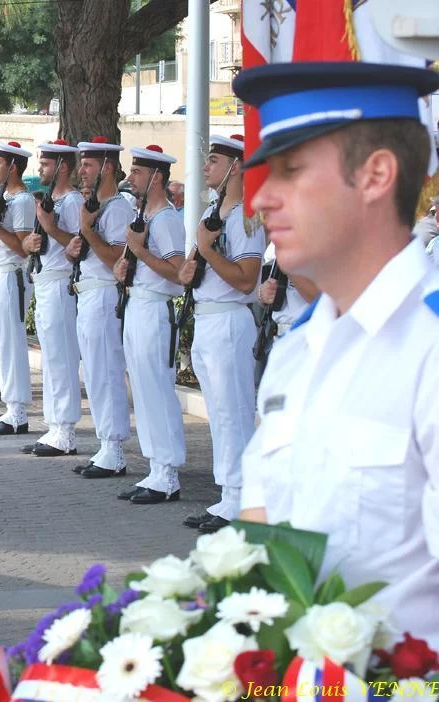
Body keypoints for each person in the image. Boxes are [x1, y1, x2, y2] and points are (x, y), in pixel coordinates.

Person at [234, 61, 439, 647]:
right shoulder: (297, 350)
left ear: (376, 174)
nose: (262, 199)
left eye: (292, 171)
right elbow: (261, 550)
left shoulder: (429, 347)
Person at [175, 135, 264, 533]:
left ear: (236, 167)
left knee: (235, 414)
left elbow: (246, 280)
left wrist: (208, 251)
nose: (205, 167)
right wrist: (190, 269)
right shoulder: (214, 212)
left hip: (230, 319)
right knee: (220, 416)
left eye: (214, 160)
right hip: (208, 318)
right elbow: (196, 269)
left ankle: (242, 499)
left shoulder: (247, 217)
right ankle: (229, 495)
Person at [113, 145, 187, 505]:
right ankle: (156, 469)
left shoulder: (167, 219)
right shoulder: (146, 216)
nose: (131, 177)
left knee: (157, 389)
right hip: (138, 306)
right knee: (142, 391)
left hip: (155, 310)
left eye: (138, 172)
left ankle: (168, 473)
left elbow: (178, 272)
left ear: (156, 177)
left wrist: (140, 252)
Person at [69, 138, 135, 479]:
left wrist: (86, 230)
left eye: (88, 165)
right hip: (89, 294)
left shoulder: (119, 208)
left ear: (106, 167)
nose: (82, 170)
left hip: (106, 295)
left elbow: (117, 260)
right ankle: (105, 444)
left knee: (106, 372)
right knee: (94, 373)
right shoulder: (96, 206)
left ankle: (114, 448)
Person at [20, 140, 83, 456]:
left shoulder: (72, 201)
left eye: (45, 164)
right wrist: (31, 242)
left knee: (62, 358)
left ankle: (66, 431)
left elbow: (78, 243)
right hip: (44, 282)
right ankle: (54, 426)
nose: (40, 169)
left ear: (62, 167)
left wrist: (49, 227)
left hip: (60, 284)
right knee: (51, 359)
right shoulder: (50, 200)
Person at [0, 141, 35, 436]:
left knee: (11, 344)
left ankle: (17, 412)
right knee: (4, 344)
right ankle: (12, 408)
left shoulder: (23, 200)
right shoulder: (5, 197)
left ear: (13, 167)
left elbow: (24, 248)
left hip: (12, 276)